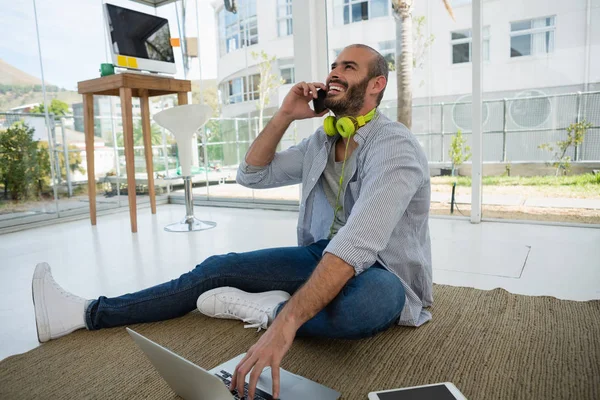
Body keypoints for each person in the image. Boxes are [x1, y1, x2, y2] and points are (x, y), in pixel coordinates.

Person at [31, 44, 432, 399]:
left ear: (376, 85)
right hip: (320, 254)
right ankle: (86, 312)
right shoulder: (321, 141)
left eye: (348, 67)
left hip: (383, 269)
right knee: (217, 268)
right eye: (333, 65)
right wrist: (285, 116)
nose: (333, 73)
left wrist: (284, 324)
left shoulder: (395, 146)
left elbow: (358, 244)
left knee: (364, 308)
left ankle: (267, 311)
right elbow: (252, 176)